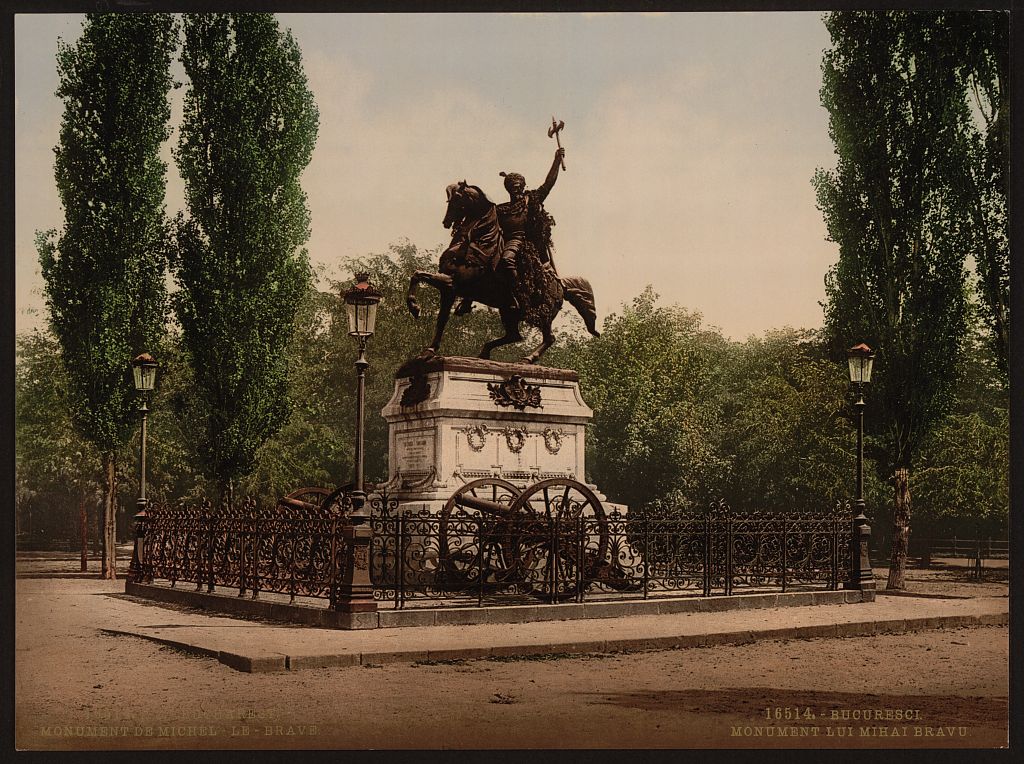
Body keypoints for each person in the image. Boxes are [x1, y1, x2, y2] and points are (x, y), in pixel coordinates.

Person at [494, 147, 565, 311]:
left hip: (522, 242)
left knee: (507, 260)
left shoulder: (531, 199)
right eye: (513, 188)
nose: (516, 190)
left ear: (523, 186)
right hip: (503, 241)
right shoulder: (501, 209)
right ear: (508, 190)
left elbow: (548, 184)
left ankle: (516, 296)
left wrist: (556, 161)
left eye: (519, 187)